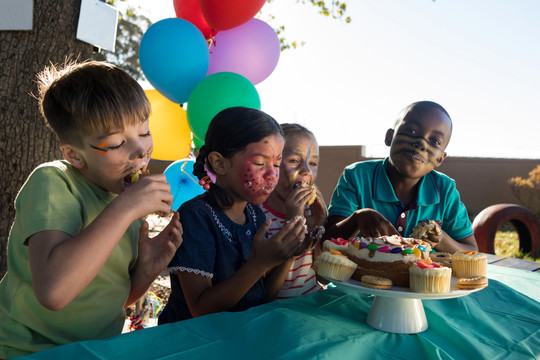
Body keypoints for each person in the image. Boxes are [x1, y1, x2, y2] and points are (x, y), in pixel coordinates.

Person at [0, 61, 183, 358]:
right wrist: (125, 209)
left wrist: (145, 271)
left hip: (95, 350)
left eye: (145, 131)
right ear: (74, 155)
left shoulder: (125, 202)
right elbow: (55, 292)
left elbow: (112, 298)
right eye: (116, 143)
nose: (140, 150)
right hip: (26, 349)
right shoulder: (54, 182)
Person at [158, 107, 310, 323]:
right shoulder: (196, 217)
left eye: (276, 164)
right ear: (220, 163)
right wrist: (260, 263)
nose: (272, 175)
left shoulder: (255, 216)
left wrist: (289, 252)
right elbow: (201, 310)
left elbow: (263, 296)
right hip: (192, 343)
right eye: (259, 163)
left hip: (237, 337)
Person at [325, 101, 477, 253]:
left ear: (440, 158)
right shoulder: (357, 177)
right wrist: (357, 218)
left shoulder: (445, 190)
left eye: (434, 141)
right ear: (389, 137)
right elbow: (327, 241)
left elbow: (471, 250)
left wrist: (441, 239)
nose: (421, 143)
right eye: (411, 131)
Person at [261, 123, 327, 299]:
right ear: (273, 164)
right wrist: (293, 226)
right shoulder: (259, 218)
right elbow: (266, 295)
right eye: (295, 161)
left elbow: (323, 276)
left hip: (311, 302)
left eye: (312, 163)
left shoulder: (310, 211)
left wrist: (318, 228)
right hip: (277, 312)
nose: (306, 171)